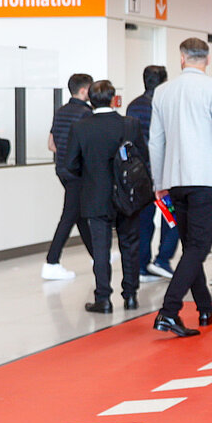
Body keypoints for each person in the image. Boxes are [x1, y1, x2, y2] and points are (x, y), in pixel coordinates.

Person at [146, 37, 212, 335]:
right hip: (206, 178)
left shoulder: (163, 92)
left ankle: (205, 308)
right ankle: (168, 311)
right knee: (199, 247)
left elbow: (156, 142)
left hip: (175, 179)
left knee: (192, 245)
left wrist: (159, 182)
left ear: (182, 58)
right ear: (208, 58)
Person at [64, 79, 142, 313]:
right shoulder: (130, 124)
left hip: (96, 194)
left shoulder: (80, 127)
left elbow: (70, 164)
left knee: (101, 248)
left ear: (90, 99)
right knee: (130, 244)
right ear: (113, 98)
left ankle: (103, 299)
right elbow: (142, 158)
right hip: (127, 195)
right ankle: (130, 296)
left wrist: (89, 174)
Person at [42, 73, 93, 282]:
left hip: (62, 169)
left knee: (79, 214)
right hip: (78, 172)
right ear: (83, 90)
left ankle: (99, 256)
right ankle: (51, 262)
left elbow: (51, 144)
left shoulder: (61, 111)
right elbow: (88, 146)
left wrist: (64, 153)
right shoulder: (86, 114)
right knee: (70, 215)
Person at [125, 65, 173, 280]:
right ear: (164, 82)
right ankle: (163, 259)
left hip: (140, 175)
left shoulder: (133, 106)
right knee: (171, 216)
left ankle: (142, 267)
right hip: (165, 172)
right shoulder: (167, 105)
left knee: (143, 221)